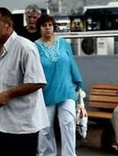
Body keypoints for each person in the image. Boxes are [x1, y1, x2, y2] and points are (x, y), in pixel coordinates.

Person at [0, 7, 48, 156]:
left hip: (23, 125)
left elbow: (38, 82)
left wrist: (8, 94)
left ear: (8, 24)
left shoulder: (25, 47)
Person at [35, 13, 83, 156]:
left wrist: (78, 83)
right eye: (44, 25)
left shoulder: (64, 44)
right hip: (45, 93)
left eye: (50, 25)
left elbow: (72, 64)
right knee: (45, 129)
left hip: (66, 90)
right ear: (39, 28)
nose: (47, 28)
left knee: (68, 124)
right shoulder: (34, 47)